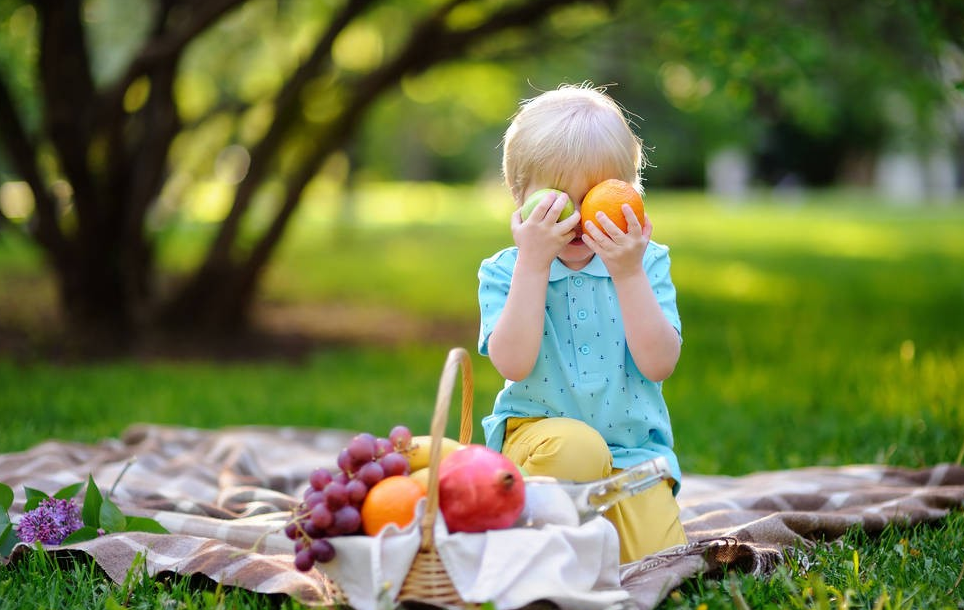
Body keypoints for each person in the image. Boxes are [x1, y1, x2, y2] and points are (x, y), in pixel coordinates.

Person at [477, 83, 687, 563]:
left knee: (660, 563)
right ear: (518, 196)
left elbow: (659, 365)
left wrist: (628, 272)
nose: (576, 217)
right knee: (576, 449)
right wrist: (533, 266)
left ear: (630, 195)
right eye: (556, 198)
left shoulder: (645, 263)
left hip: (632, 456)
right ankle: (541, 536)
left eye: (596, 196)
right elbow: (512, 360)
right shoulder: (506, 271)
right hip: (541, 443)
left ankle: (591, 535)